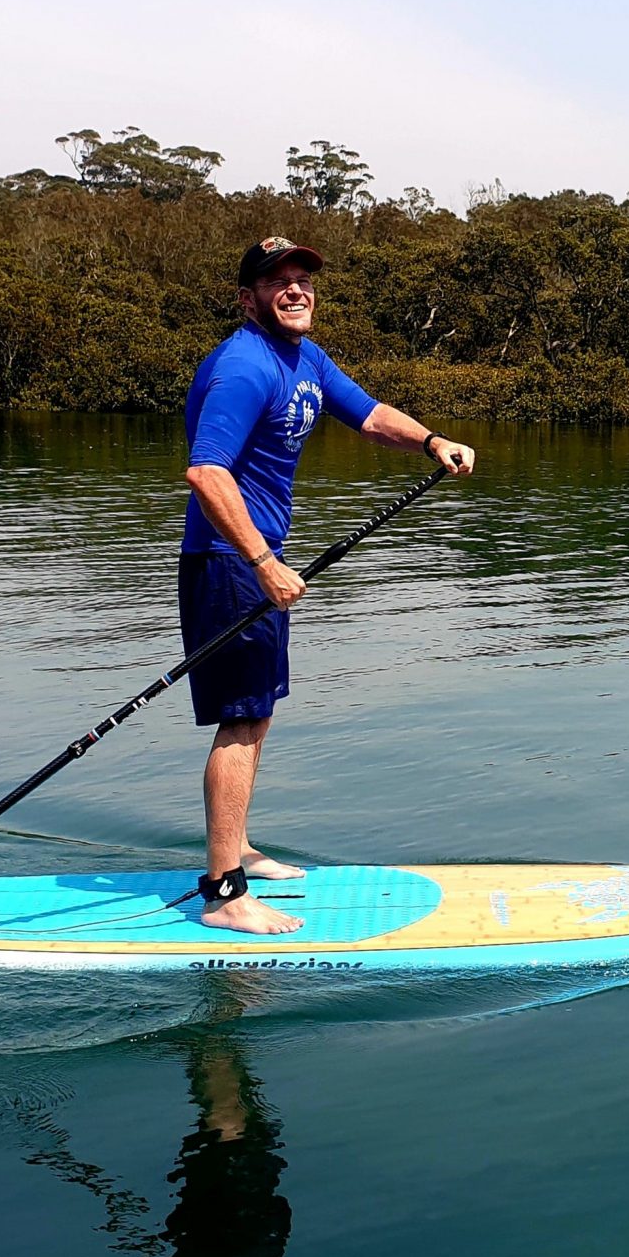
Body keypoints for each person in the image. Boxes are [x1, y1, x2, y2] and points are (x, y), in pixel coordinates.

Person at [180, 236, 474, 935]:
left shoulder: (304, 357)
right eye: (277, 281)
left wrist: (432, 441)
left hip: (254, 561)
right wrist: (261, 561)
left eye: (303, 280)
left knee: (257, 714)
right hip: (229, 561)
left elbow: (369, 416)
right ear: (247, 299)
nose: (295, 290)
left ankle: (238, 849)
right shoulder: (244, 367)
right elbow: (206, 473)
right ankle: (224, 892)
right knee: (240, 720)